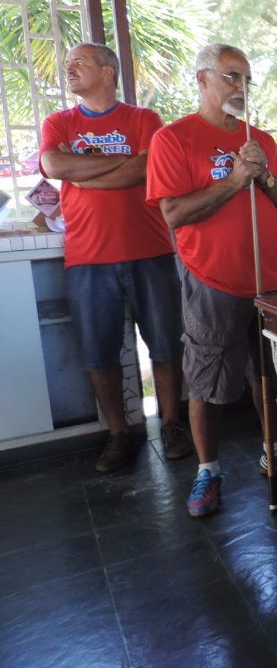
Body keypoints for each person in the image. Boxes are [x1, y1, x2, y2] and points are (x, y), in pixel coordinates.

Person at [146, 43, 277, 518]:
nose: (241, 87)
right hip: (212, 281)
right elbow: (174, 213)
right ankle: (208, 471)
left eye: (246, 78)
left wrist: (262, 174)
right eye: (231, 76)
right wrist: (234, 179)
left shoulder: (259, 139)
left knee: (271, 373)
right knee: (207, 381)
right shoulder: (173, 139)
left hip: (270, 281)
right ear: (202, 78)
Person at [38, 43, 189, 472]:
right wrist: (120, 159)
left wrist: (84, 172)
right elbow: (54, 165)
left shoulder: (144, 119)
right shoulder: (58, 122)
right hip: (87, 257)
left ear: (108, 72)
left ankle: (172, 424)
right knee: (98, 353)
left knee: (165, 343)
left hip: (150, 251)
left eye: (79, 63)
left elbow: (145, 169)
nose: (69, 69)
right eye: (67, 64)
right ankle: (119, 434)